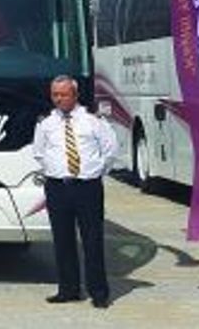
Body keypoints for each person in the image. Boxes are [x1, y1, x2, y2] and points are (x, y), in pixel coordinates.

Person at [32, 75, 118, 309]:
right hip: (57, 187)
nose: (58, 99)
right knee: (62, 240)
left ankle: (98, 292)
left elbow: (110, 150)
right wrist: (55, 170)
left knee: (92, 240)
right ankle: (68, 289)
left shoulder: (93, 121)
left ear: (75, 95)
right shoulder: (46, 123)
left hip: (87, 187)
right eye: (55, 95)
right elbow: (39, 152)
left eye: (63, 94)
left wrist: (96, 172)